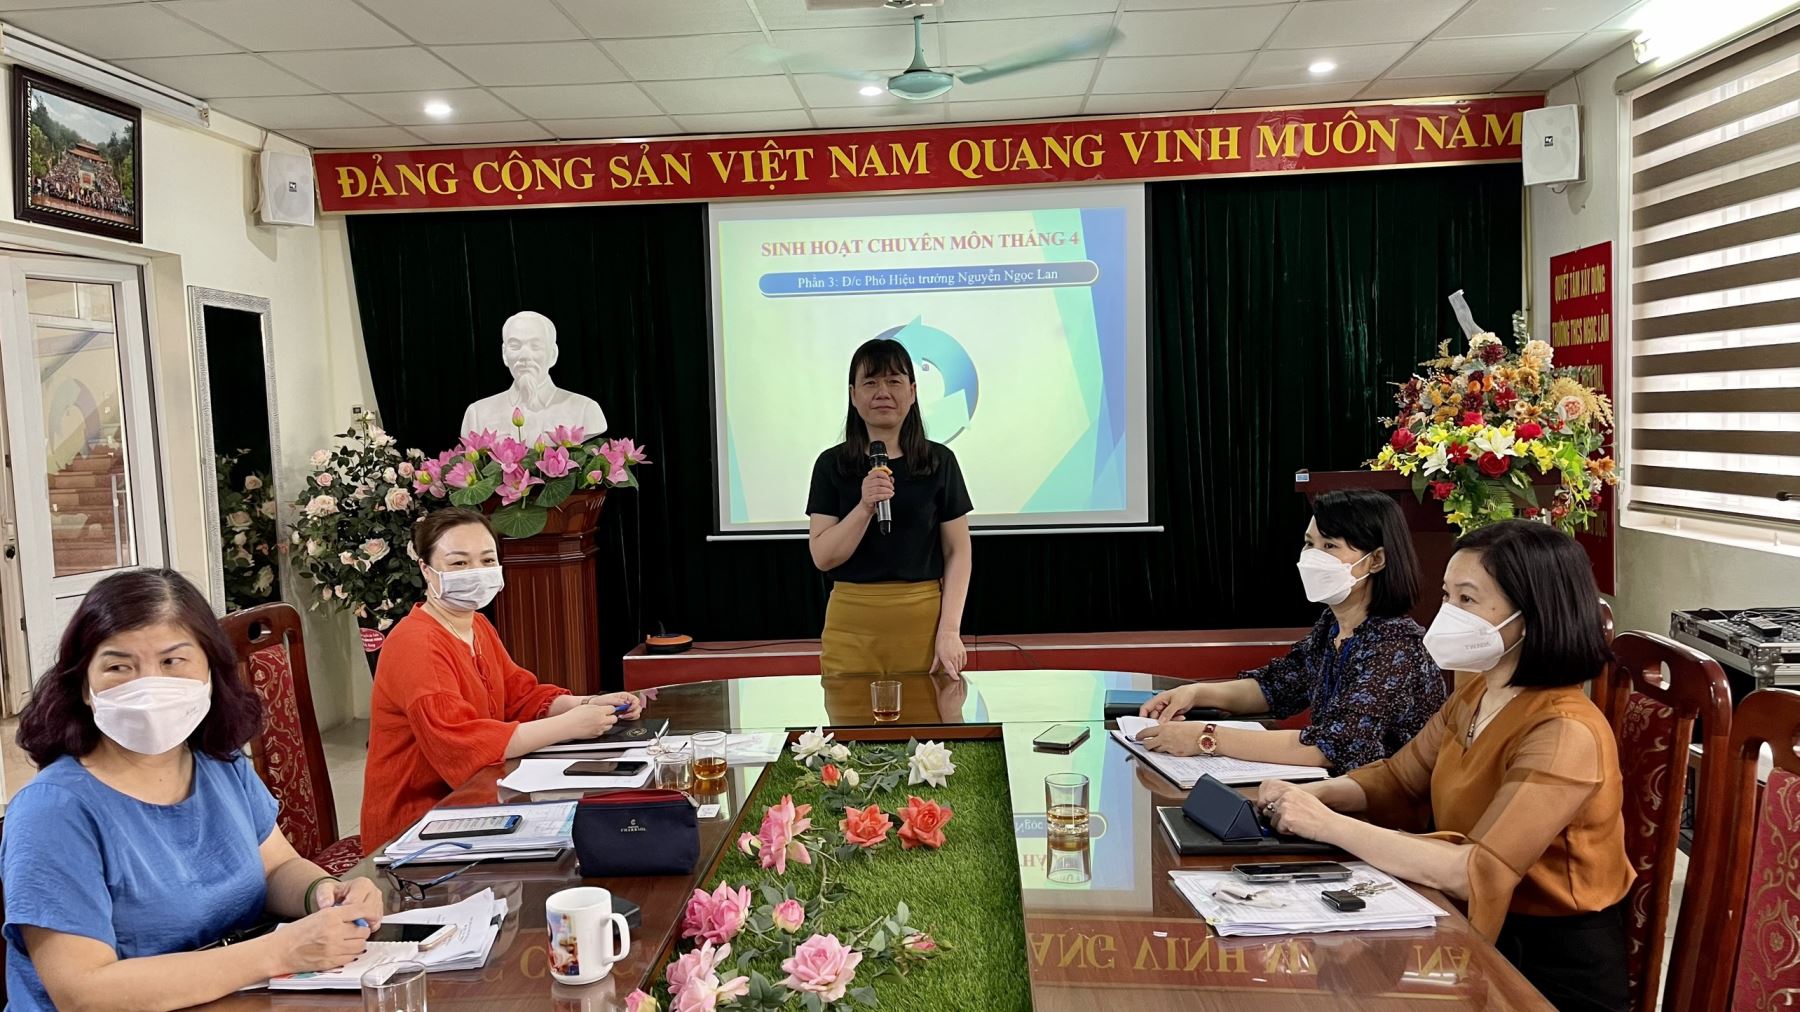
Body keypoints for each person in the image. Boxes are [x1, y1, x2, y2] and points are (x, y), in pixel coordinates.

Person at [1259, 520, 1631, 1012]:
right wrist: (1314, 794)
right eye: (1446, 596)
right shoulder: (1477, 692)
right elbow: (1399, 778)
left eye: (1468, 600)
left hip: (1547, 966)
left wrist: (1328, 825)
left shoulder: (1565, 730)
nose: (1447, 614)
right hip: (1461, 924)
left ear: (1531, 615)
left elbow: (1476, 871)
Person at [2, 569, 385, 1011]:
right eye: (118, 666)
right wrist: (277, 953)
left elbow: (275, 867)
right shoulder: (53, 811)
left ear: (210, 671)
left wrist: (323, 892)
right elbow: (83, 992)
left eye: (172, 662)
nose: (147, 685)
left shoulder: (219, 763)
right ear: (84, 686)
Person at [361, 508, 645, 850]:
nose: (476, 572)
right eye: (459, 563)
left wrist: (587, 703)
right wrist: (569, 725)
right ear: (426, 569)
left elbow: (519, 696)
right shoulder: (416, 644)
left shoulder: (476, 625)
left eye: (487, 560)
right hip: (418, 824)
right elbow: (462, 746)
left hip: (480, 797)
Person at [1135, 490, 1443, 773]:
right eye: (1310, 544)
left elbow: (1330, 748)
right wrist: (1196, 693)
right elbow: (1277, 687)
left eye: (1330, 546)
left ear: (1375, 560)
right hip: (1336, 792)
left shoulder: (1395, 646)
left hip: (1385, 805)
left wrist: (1206, 738)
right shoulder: (1332, 626)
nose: (1313, 557)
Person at [807, 338, 973, 677]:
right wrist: (864, 506)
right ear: (853, 395)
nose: (883, 392)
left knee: (930, 712)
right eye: (870, 383)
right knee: (850, 713)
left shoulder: (939, 461)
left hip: (925, 625)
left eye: (894, 381)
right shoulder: (831, 465)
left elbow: (958, 551)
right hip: (851, 627)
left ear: (912, 392)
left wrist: (949, 630)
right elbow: (823, 557)